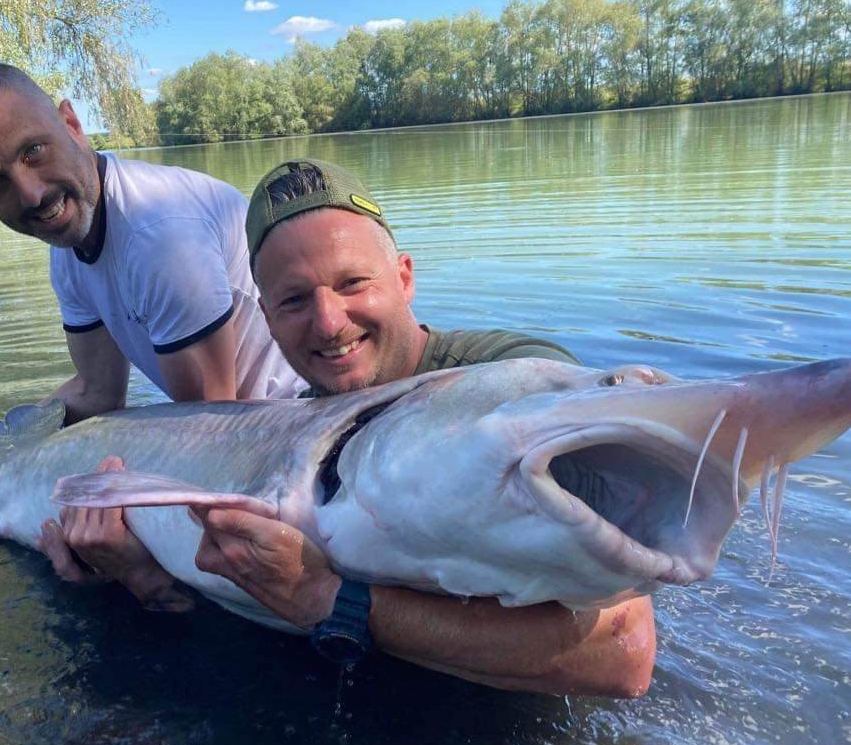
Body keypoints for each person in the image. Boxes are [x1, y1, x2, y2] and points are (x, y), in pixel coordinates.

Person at [43, 158, 656, 697]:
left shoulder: (514, 386)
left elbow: (622, 654)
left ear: (405, 277)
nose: (329, 323)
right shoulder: (304, 431)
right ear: (265, 319)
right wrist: (146, 578)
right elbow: (249, 610)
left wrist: (329, 601)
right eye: (293, 301)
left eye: (352, 283)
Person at [0, 62, 302, 470]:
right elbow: (97, 392)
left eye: (33, 151)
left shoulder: (159, 235)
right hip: (233, 435)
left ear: (71, 123)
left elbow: (211, 433)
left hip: (296, 439)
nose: (31, 195)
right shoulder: (69, 240)